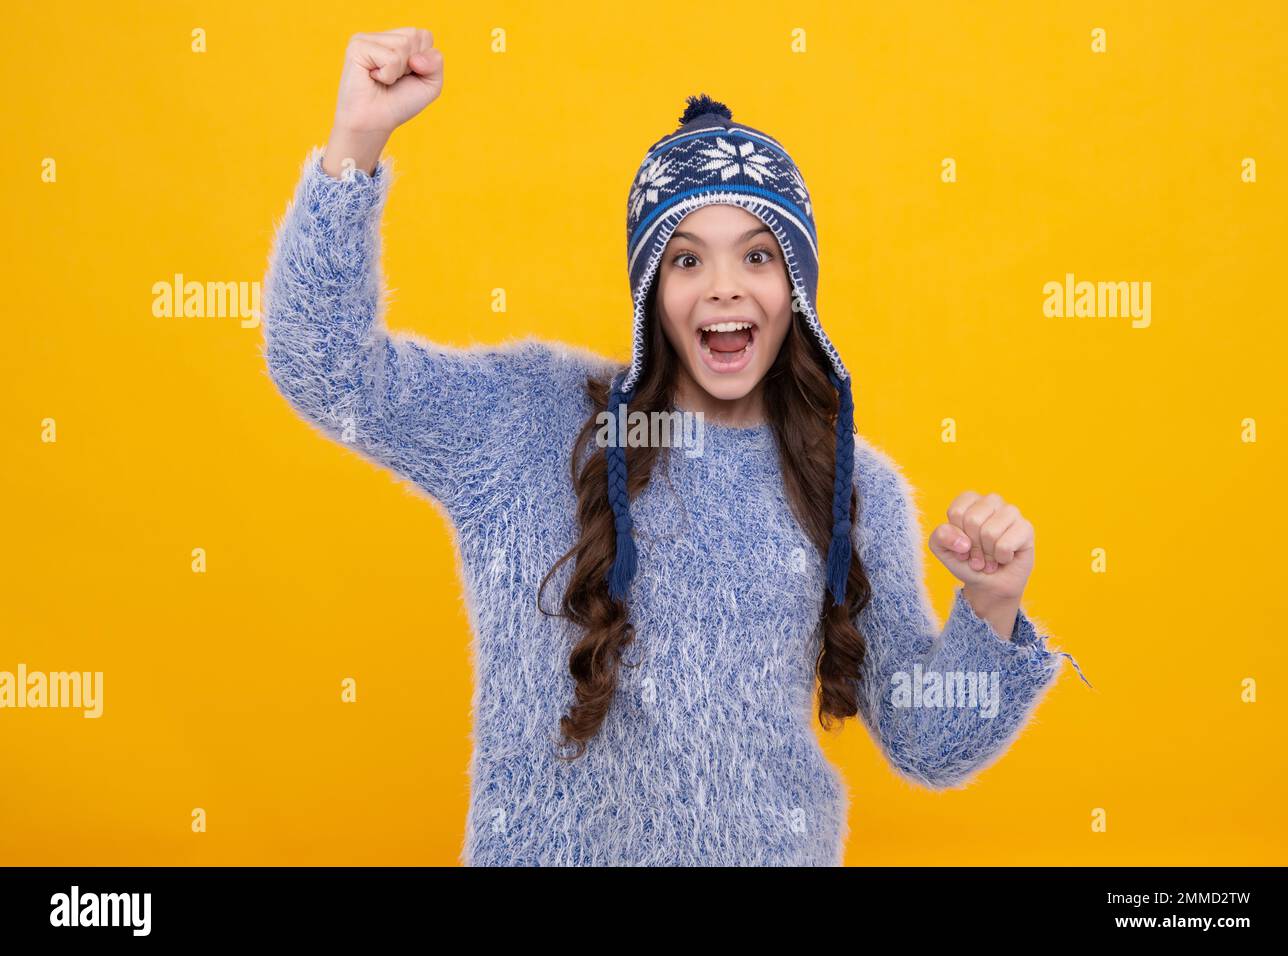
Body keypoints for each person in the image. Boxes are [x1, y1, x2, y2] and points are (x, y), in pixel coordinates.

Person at [261, 27, 1089, 866]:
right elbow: (328, 372)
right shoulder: (526, 422)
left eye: (757, 255)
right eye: (686, 258)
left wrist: (991, 607)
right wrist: (355, 144)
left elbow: (924, 740)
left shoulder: (846, 482)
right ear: (652, 292)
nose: (725, 283)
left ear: (794, 286)